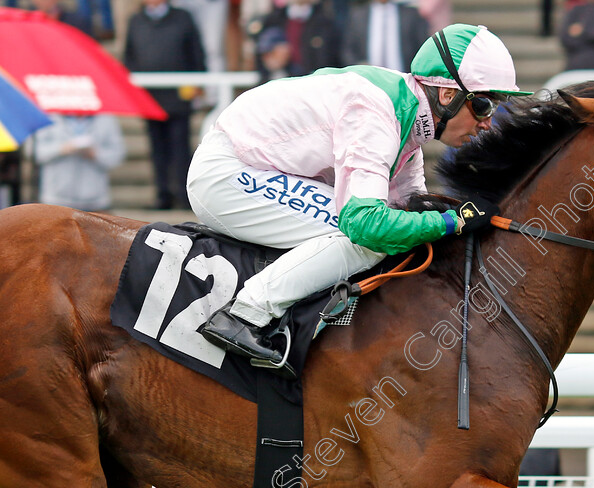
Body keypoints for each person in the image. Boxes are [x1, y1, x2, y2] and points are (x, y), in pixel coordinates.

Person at [187, 24, 530, 371]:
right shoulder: (376, 111)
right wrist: (451, 221)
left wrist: (456, 215)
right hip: (228, 174)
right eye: (484, 106)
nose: (488, 123)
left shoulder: (407, 121)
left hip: (261, 166)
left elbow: (409, 207)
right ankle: (244, 314)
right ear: (446, 95)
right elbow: (366, 224)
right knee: (368, 241)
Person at [123, 0, 206, 210]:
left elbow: (196, 53)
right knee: (157, 149)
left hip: (179, 96)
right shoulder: (136, 20)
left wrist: (198, 83)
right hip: (150, 97)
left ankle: (185, 196)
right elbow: (129, 56)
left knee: (180, 148)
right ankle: (163, 195)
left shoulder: (182, 17)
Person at [33, 113, 126, 211]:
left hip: (94, 200)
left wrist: (95, 154)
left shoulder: (106, 119)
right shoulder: (50, 116)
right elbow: (36, 152)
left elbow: (117, 154)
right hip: (56, 199)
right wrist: (62, 149)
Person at [341, 0, 429, 72]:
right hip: (368, 81)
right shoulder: (357, 15)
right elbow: (348, 51)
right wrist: (360, 66)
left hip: (405, 80)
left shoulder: (411, 15)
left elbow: (423, 49)